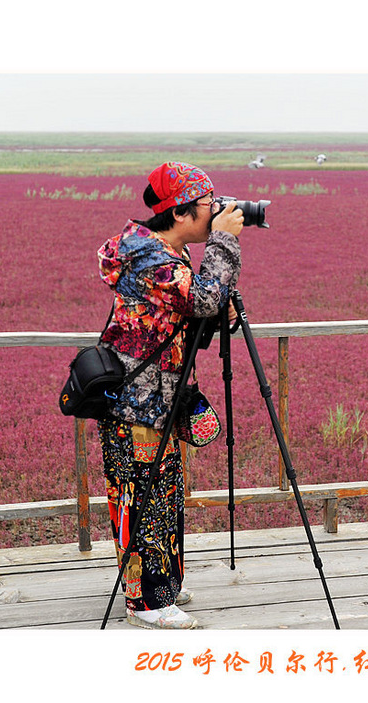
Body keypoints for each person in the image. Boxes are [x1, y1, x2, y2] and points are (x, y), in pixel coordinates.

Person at [96, 161, 243, 629]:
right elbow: (201, 299)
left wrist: (220, 313)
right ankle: (145, 603)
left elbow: (191, 312)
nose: (215, 212)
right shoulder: (150, 259)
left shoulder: (164, 255)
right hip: (135, 403)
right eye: (208, 206)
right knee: (142, 498)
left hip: (160, 400)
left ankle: (165, 587)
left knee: (164, 494)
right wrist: (224, 242)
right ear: (180, 213)